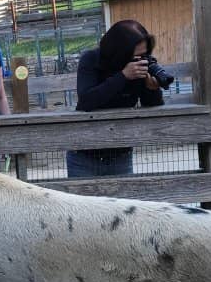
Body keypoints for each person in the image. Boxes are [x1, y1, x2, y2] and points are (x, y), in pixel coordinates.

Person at [67, 19, 165, 177]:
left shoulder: (140, 65)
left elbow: (151, 106)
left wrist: (152, 89)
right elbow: (86, 100)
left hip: (120, 154)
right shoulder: (91, 59)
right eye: (136, 56)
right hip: (83, 154)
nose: (141, 60)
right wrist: (123, 76)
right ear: (121, 53)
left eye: (144, 54)